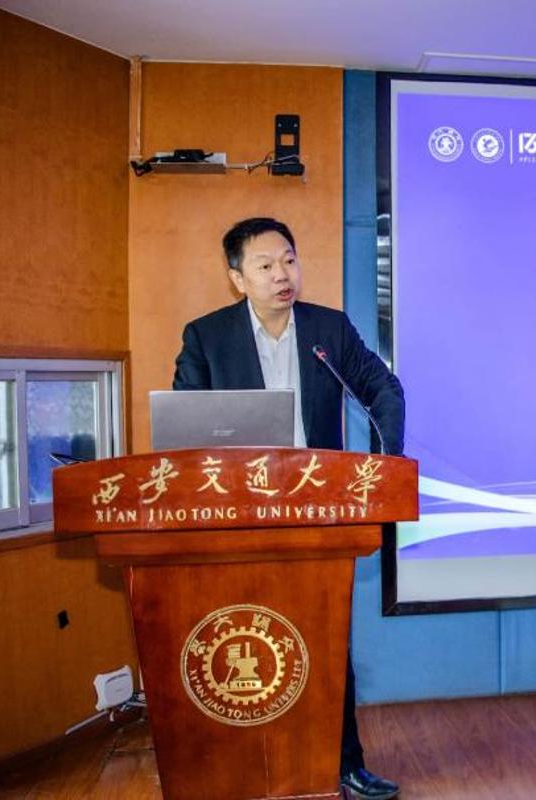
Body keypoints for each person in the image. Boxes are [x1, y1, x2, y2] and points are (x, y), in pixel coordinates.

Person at [172, 217, 404, 800]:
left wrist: (385, 464)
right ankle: (248, 765)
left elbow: (383, 388)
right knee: (248, 638)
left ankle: (345, 764)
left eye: (290, 261)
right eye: (266, 265)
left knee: (327, 640)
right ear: (237, 278)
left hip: (318, 509)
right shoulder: (206, 337)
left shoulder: (328, 330)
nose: (283, 275)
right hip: (239, 517)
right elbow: (185, 426)